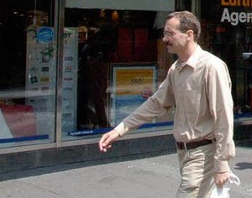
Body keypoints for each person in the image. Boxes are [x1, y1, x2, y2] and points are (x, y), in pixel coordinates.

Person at [98, 11, 235, 198]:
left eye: (170, 34)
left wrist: (222, 163)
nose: (164, 39)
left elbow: (224, 118)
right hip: (184, 154)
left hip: (204, 155)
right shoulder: (176, 68)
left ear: (189, 35)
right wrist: (119, 130)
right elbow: (155, 104)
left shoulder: (212, 67)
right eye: (164, 33)